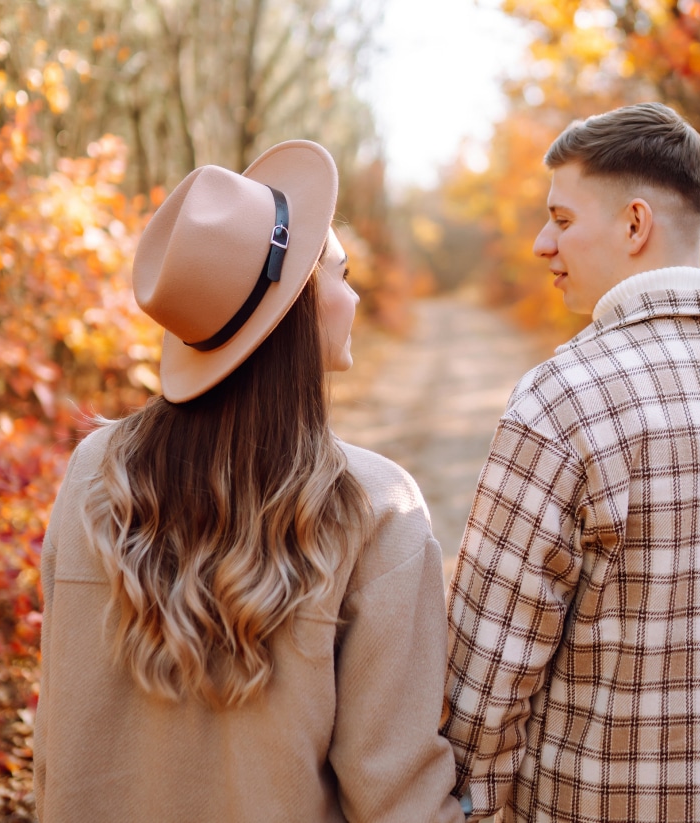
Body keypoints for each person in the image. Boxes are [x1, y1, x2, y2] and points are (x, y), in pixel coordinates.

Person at [442, 103, 700, 822]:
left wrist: (478, 805)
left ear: (635, 224)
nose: (543, 243)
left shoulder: (562, 399)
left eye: (563, 220)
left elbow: (484, 674)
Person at [33, 140, 464, 823]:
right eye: (342, 275)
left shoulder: (93, 471)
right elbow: (397, 796)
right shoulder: (375, 507)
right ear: (298, 308)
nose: (354, 296)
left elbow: (54, 735)